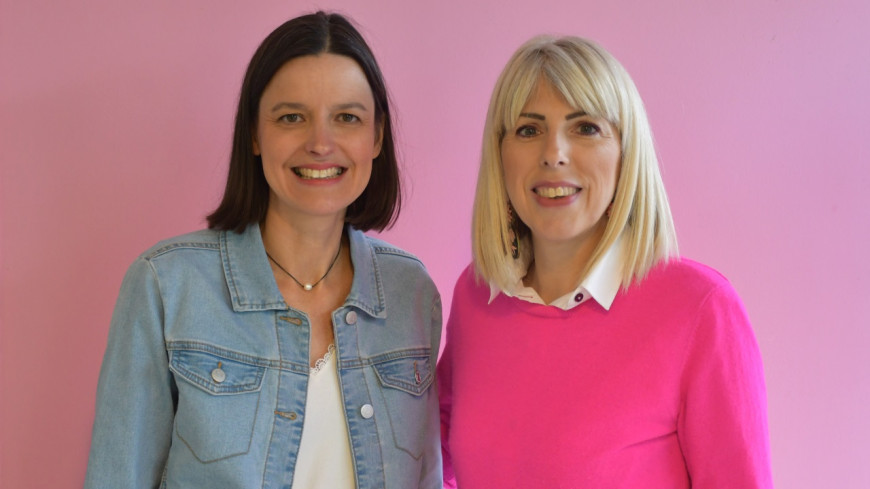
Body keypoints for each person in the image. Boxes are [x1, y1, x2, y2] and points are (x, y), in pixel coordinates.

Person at [84, 12, 442, 489]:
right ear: (254, 133)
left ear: (376, 137)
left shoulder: (410, 292)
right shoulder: (167, 286)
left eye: (347, 118)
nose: (320, 143)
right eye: (292, 117)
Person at [438, 36, 773, 488]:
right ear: (500, 154)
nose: (553, 154)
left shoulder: (699, 308)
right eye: (529, 130)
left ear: (625, 154)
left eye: (586, 128)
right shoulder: (477, 295)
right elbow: (433, 457)